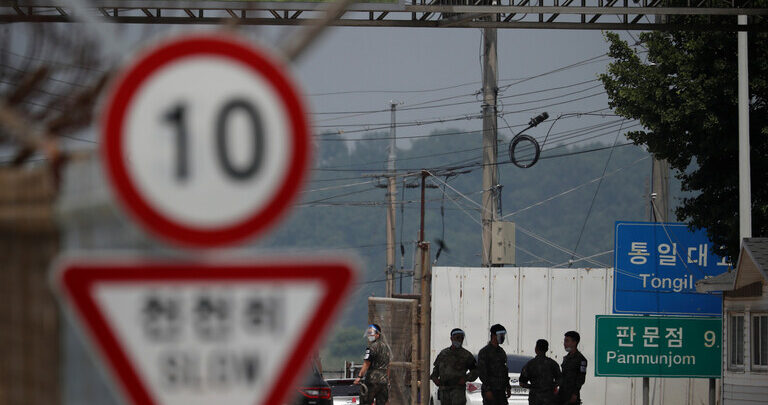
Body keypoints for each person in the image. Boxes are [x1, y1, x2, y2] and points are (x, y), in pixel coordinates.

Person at [430, 328, 479, 405]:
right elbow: (436, 369)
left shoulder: (466, 355)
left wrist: (466, 378)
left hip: (457, 391)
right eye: (457, 337)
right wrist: (435, 378)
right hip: (444, 391)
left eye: (461, 338)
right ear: (451, 338)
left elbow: (475, 371)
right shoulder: (443, 353)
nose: (459, 340)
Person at [354, 324, 391, 404]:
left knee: (366, 402)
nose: (369, 335)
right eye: (368, 333)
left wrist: (359, 377)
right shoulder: (386, 347)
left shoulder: (372, 347)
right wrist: (388, 380)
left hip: (372, 381)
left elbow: (366, 364)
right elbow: (388, 366)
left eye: (371, 333)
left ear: (378, 335)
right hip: (383, 382)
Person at [519, 339, 561, 405]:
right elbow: (560, 380)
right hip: (549, 398)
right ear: (547, 349)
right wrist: (550, 386)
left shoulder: (530, 364)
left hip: (535, 399)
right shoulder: (553, 364)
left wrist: (533, 387)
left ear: (536, 349)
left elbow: (522, 383)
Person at [477, 324, 511, 405]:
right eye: (501, 335)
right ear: (493, 335)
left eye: (503, 335)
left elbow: (504, 370)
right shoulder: (484, 352)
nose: (503, 337)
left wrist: (508, 386)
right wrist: (488, 389)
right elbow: (482, 373)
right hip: (491, 390)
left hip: (501, 390)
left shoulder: (501, 352)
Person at [558, 331, 587, 405]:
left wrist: (575, 394)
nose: (564, 344)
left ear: (574, 342)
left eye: (567, 341)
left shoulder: (581, 359)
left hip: (571, 396)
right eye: (564, 341)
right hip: (562, 394)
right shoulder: (566, 358)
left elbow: (581, 378)